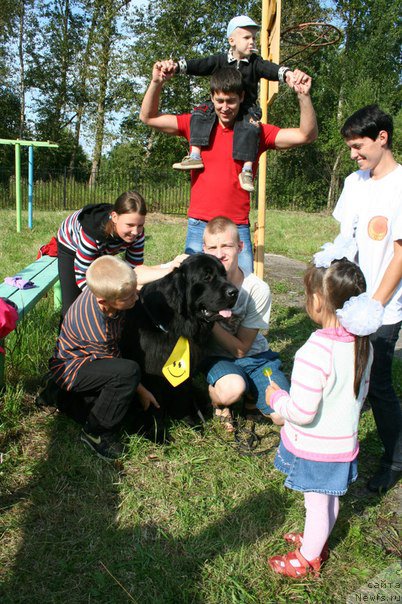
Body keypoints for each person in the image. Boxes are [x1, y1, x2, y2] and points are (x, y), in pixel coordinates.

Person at [140, 63, 317, 275]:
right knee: (196, 290)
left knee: (244, 291)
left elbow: (306, 135)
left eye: (231, 101)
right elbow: (148, 117)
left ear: (241, 97)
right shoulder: (196, 124)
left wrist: (303, 96)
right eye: (220, 101)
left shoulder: (255, 132)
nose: (225, 107)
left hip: (237, 228)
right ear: (212, 97)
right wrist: (156, 83)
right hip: (200, 227)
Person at [266, 257, 380, 578]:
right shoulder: (363, 345)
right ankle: (318, 541)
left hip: (317, 449)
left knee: (316, 504)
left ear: (317, 301)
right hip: (342, 444)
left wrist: (277, 398)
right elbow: (362, 393)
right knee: (329, 500)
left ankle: (307, 557)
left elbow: (301, 412)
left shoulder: (315, 351)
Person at [332, 104, 402, 493]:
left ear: (382, 138)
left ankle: (394, 460)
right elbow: (347, 237)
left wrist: (374, 305)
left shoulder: (401, 186)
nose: (355, 155)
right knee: (347, 379)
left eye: (359, 146)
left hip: (382, 306)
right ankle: (343, 450)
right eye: (351, 148)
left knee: (376, 385)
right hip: (349, 303)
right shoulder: (354, 182)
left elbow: (400, 253)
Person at [43, 255, 159, 460]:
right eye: (128, 297)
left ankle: (55, 393)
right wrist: (142, 390)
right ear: (104, 302)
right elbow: (116, 365)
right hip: (73, 368)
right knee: (127, 373)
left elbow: (136, 281)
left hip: (84, 357)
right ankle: (96, 432)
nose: (135, 297)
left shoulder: (108, 288)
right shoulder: (97, 328)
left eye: (134, 291)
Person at [170, 14, 296, 193]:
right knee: (200, 113)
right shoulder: (220, 61)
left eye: (253, 38)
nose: (252, 42)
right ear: (232, 40)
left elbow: (270, 69)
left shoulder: (255, 63)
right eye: (246, 37)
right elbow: (200, 65)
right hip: (223, 106)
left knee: (252, 127)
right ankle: (195, 155)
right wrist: (176, 67)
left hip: (246, 108)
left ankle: (246, 169)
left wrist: (287, 74)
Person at [200, 216, 289, 431]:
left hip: (255, 357)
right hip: (218, 357)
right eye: (212, 247)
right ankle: (220, 401)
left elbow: (241, 350)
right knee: (231, 390)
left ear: (240, 247)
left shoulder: (256, 289)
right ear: (204, 250)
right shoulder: (199, 283)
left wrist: (208, 320)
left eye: (227, 246)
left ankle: (251, 391)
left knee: (282, 416)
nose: (219, 254)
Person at [57, 190, 186, 317]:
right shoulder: (91, 235)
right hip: (71, 243)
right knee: (72, 305)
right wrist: (108, 299)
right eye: (129, 225)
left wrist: (125, 295)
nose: (135, 232)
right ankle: (64, 335)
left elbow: (133, 271)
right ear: (114, 217)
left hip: (105, 246)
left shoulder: (137, 234)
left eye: (140, 225)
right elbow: (82, 276)